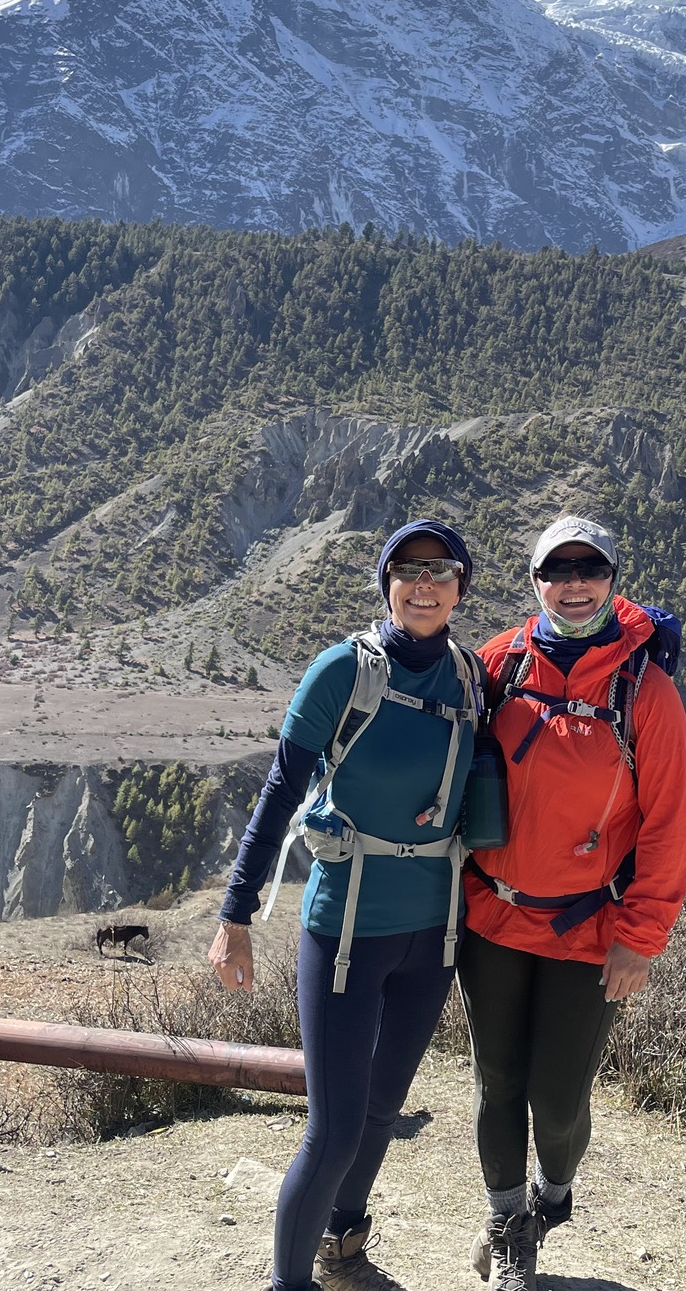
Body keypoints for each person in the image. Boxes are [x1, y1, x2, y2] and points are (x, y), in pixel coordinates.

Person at [209, 518, 485, 1291]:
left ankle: (342, 1239)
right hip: (348, 932)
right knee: (332, 1132)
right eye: (407, 570)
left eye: (440, 570)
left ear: (462, 586)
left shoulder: (470, 678)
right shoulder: (343, 670)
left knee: (382, 1110)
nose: (423, 584)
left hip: (434, 937)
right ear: (386, 584)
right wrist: (236, 914)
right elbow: (280, 793)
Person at [460, 515, 686, 1291]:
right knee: (499, 1083)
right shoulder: (497, 664)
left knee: (558, 1101)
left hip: (588, 928)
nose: (574, 582)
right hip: (492, 914)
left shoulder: (644, 690)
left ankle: (552, 1193)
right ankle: (507, 1225)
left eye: (589, 568)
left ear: (613, 579)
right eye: (558, 570)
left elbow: (666, 823)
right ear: (535, 583)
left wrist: (642, 936)